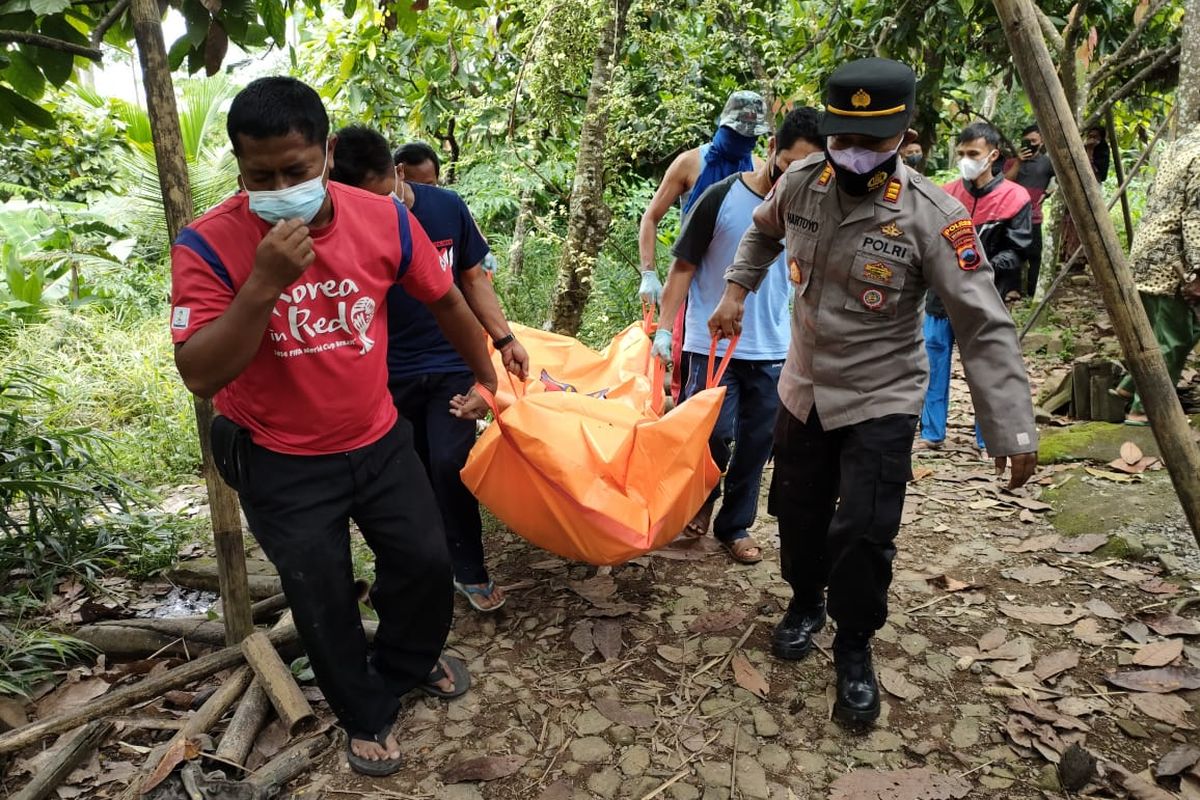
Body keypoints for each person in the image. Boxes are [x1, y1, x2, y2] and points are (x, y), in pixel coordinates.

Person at [169, 78, 498, 776]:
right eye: (263, 176)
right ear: (240, 167)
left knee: (425, 563)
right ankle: (364, 711)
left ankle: (406, 662)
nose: (282, 187)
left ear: (327, 152)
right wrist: (262, 283)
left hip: (378, 439)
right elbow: (200, 372)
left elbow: (445, 299)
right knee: (322, 596)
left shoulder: (381, 217)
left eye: (297, 169)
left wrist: (488, 375)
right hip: (280, 458)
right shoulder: (207, 243)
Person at [708, 58, 1038, 727]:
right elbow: (763, 230)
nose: (854, 154)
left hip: (883, 394)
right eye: (842, 139)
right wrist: (737, 287)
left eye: (872, 142)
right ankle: (805, 602)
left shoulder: (934, 216)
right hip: (804, 386)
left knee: (863, 530)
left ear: (902, 135)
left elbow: (982, 320)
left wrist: (1011, 426)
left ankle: (854, 645)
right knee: (797, 515)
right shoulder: (800, 182)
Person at [329, 126, 529, 613]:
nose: (374, 211)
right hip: (385, 374)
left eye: (380, 198)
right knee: (404, 478)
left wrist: (503, 341)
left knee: (449, 464)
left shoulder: (446, 208)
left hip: (448, 362)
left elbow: (473, 280)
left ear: (395, 176)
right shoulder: (342, 221)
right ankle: (412, 576)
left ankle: (470, 570)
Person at [653, 107, 823, 564]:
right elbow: (683, 267)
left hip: (773, 347)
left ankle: (736, 525)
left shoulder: (813, 208)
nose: (794, 179)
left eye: (808, 171)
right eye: (788, 167)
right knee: (711, 434)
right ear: (770, 150)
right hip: (710, 345)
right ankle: (699, 503)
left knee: (757, 442)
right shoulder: (721, 196)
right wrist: (665, 331)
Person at [638, 90, 772, 399]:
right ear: (724, 125)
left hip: (740, 280)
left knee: (733, 372)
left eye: (751, 135)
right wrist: (649, 272)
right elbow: (651, 217)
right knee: (686, 370)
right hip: (692, 277)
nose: (743, 139)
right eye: (737, 132)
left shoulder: (759, 168)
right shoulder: (690, 164)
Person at [919, 122, 1033, 452]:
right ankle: (931, 433)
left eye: (973, 154)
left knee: (986, 369)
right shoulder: (946, 193)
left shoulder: (1015, 198)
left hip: (986, 296)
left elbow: (1019, 249)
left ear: (993, 155)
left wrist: (981, 267)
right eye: (962, 154)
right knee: (933, 363)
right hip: (940, 297)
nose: (966, 160)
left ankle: (988, 437)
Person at [1112, 129, 1200, 425]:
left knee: (1155, 333)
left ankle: (1130, 388)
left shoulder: (1185, 142)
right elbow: (1196, 217)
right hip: (1174, 257)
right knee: (1176, 337)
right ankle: (1146, 410)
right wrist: (1198, 271)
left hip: (1150, 246)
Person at [1004, 124, 1054, 296]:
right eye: (1027, 141)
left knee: (1035, 257)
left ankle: (1033, 293)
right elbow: (1005, 183)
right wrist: (1018, 162)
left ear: (1041, 142)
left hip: (1034, 217)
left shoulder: (1047, 163)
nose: (1031, 144)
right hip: (1013, 217)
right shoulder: (1012, 162)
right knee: (1012, 254)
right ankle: (1013, 290)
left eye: (1034, 141)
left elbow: (1060, 179)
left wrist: (1047, 192)